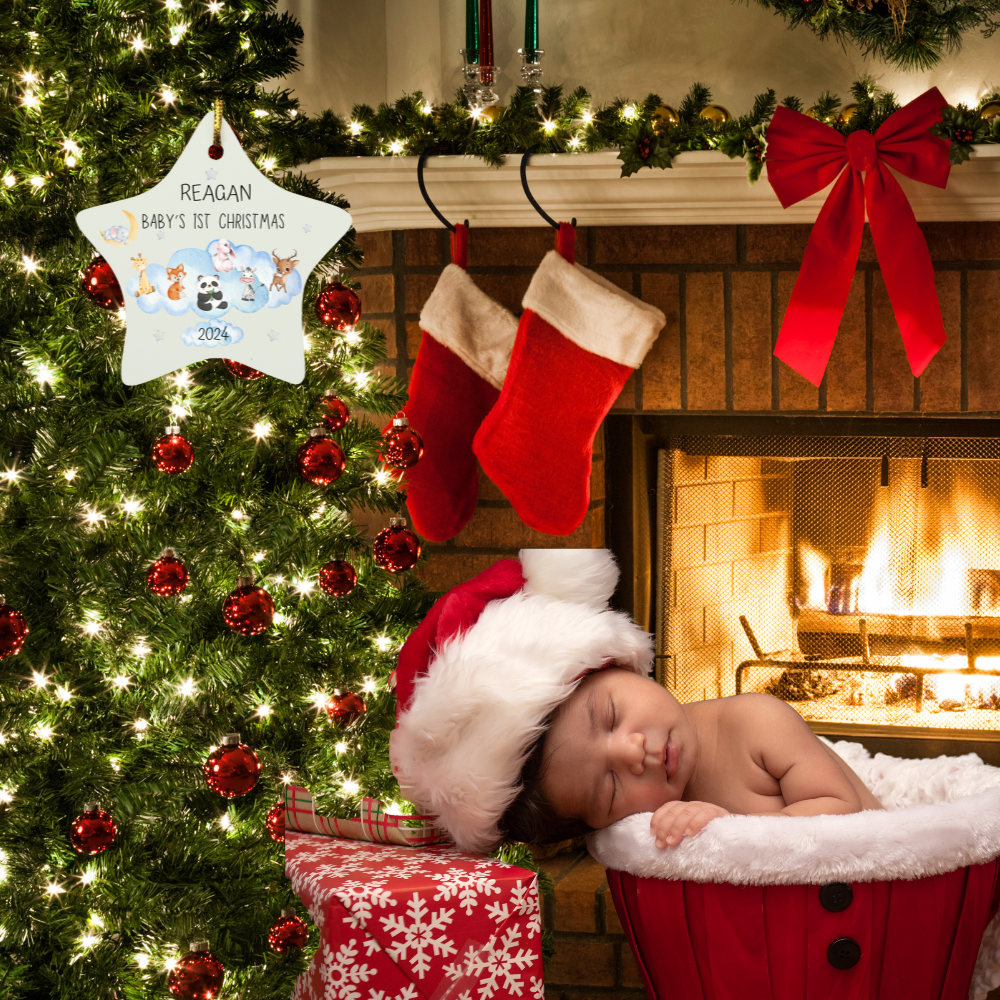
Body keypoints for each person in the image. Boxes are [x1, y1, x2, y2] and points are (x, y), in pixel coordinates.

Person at [389, 549, 881, 855]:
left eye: (611, 716)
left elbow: (845, 813)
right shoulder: (654, 821)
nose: (631, 753)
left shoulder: (755, 722)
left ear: (619, 666)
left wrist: (734, 832)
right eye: (607, 789)